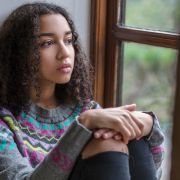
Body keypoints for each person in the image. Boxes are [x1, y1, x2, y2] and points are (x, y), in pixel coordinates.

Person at [0, 2, 164, 180]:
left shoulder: (87, 109)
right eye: (47, 43)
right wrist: (83, 125)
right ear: (19, 53)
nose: (65, 53)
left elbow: (143, 172)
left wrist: (148, 125)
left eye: (69, 40)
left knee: (127, 135)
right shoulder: (5, 121)